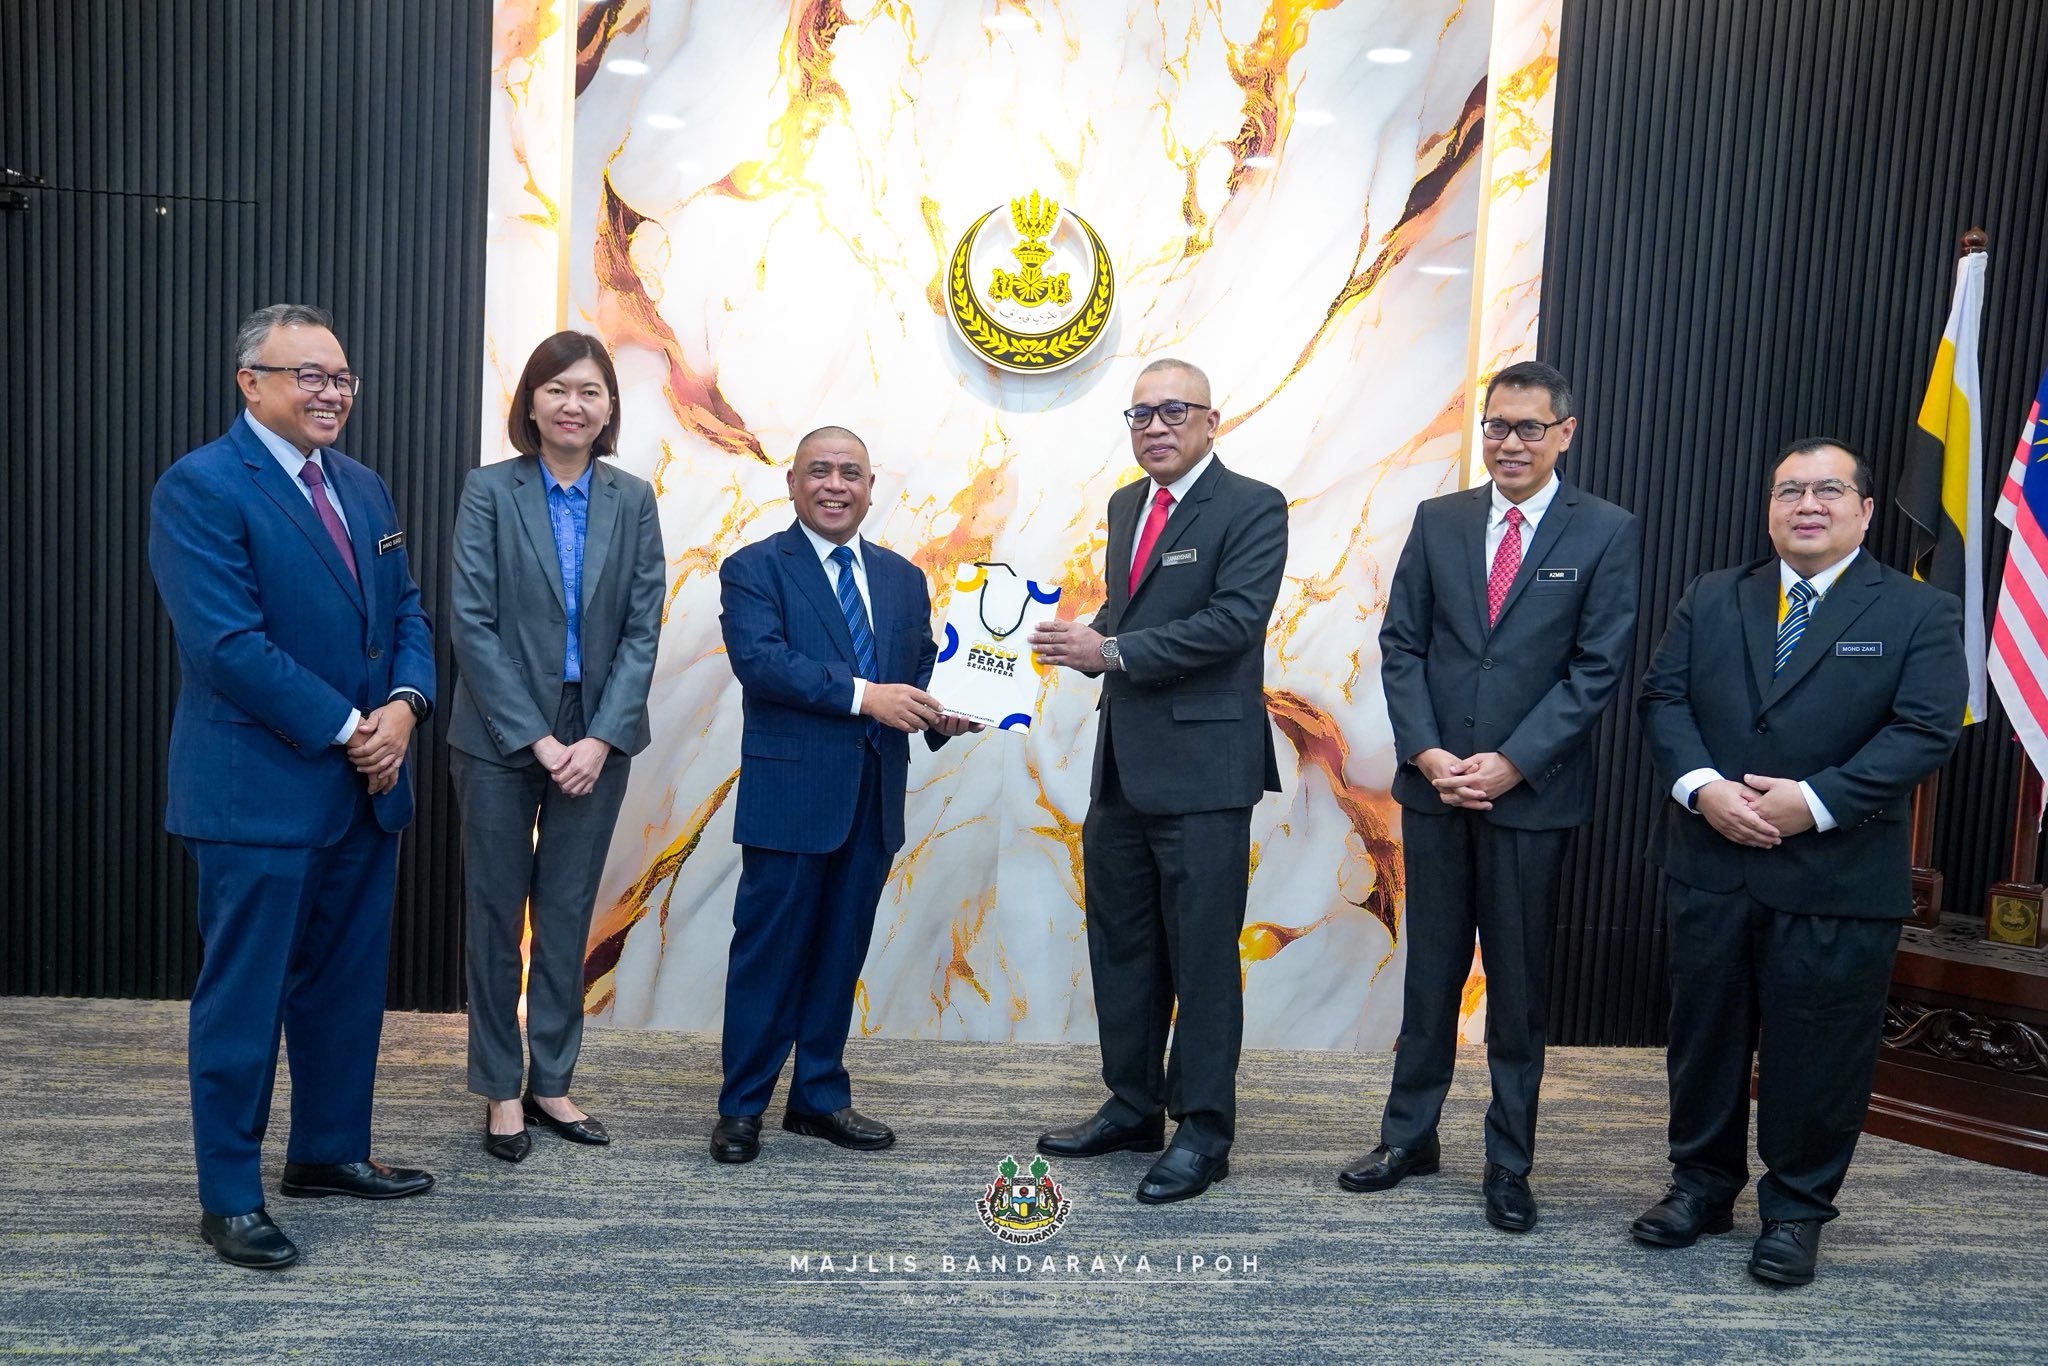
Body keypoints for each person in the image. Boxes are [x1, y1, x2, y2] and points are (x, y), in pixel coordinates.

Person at [1632, 437, 1963, 1285]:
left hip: (1837, 874)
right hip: (1712, 860)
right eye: (1789, 491)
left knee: (1819, 1053)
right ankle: (1700, 1187)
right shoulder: (1713, 595)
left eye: (1827, 490)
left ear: (1866, 510)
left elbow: (1925, 730)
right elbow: (1662, 697)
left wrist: (1812, 802)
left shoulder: (1920, 611)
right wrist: (1703, 788)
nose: (1806, 505)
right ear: (1770, 507)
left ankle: (1796, 1212)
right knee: (1703, 1041)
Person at [148, 304, 436, 1269]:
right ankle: (230, 1196)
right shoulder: (200, 486)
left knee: (345, 989)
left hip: (365, 787)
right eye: (308, 374)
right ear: (251, 382)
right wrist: (354, 729)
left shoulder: (363, 486)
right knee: (245, 1001)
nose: (331, 393)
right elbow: (227, 647)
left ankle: (327, 1152)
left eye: (341, 377)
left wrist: (405, 708)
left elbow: (407, 614)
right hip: (259, 794)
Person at [1338, 360, 1639, 1233]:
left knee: (1516, 988)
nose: (1510, 443)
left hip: (1530, 798)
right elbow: (1402, 645)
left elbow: (1596, 669)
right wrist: (1428, 752)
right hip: (1436, 790)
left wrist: (1513, 760)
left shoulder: (1607, 531)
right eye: (1497, 426)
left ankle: (1509, 1161)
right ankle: (1409, 1136)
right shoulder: (1441, 520)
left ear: (1565, 434)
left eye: (1528, 428)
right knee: (1429, 974)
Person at [1029, 357, 1288, 1205]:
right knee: (1124, 947)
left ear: (1213, 420)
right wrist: (1077, 642)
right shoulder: (1125, 505)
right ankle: (1133, 1105)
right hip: (1122, 769)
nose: (1155, 427)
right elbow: (1130, 613)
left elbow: (1233, 622)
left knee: (1203, 957)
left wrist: (1110, 650)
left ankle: (1204, 1131)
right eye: (1140, 414)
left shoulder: (1252, 506)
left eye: (1174, 411)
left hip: (1207, 774)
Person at [709, 426, 978, 1163]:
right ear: (793, 483)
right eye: (820, 471)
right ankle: (742, 1107)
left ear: (870, 486)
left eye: (850, 473)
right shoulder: (754, 568)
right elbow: (762, 662)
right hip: (791, 798)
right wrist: (866, 697)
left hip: (872, 798)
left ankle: (819, 1097)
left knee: (839, 954)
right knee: (768, 955)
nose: (835, 485)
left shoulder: (901, 578)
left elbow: (919, 670)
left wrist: (946, 711)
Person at [447, 332, 666, 1162]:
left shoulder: (632, 499)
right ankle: (500, 1088)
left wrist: (601, 735)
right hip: (500, 730)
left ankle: (552, 1081)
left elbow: (643, 628)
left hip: (599, 729)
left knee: (568, 913)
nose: (574, 405)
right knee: (496, 913)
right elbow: (471, 622)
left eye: (591, 391)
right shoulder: (489, 490)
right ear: (531, 403)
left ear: (609, 408)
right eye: (557, 389)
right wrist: (539, 739)